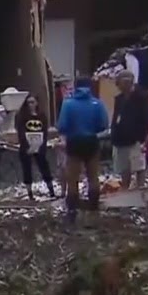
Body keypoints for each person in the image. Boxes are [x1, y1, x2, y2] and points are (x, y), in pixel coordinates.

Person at [56, 77, 110, 219]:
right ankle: (93, 206)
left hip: (74, 141)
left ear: (76, 87)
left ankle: (72, 208)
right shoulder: (97, 103)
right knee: (93, 175)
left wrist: (70, 132)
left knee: (73, 177)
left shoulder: (68, 104)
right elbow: (104, 124)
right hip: (92, 141)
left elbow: (61, 126)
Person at [110, 70, 148, 189]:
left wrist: (144, 137)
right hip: (120, 139)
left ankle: (140, 187)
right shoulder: (119, 99)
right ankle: (125, 189)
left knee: (139, 166)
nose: (118, 86)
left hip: (136, 138)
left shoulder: (142, 97)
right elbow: (116, 116)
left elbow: (147, 117)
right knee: (124, 168)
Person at [14, 94, 56, 199]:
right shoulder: (21, 116)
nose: (31, 105)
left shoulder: (41, 116)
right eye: (29, 102)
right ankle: (29, 193)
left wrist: (42, 145)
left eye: (33, 102)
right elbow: (20, 132)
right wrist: (27, 145)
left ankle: (51, 190)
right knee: (27, 170)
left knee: (44, 167)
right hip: (26, 146)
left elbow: (45, 131)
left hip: (39, 145)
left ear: (36, 103)